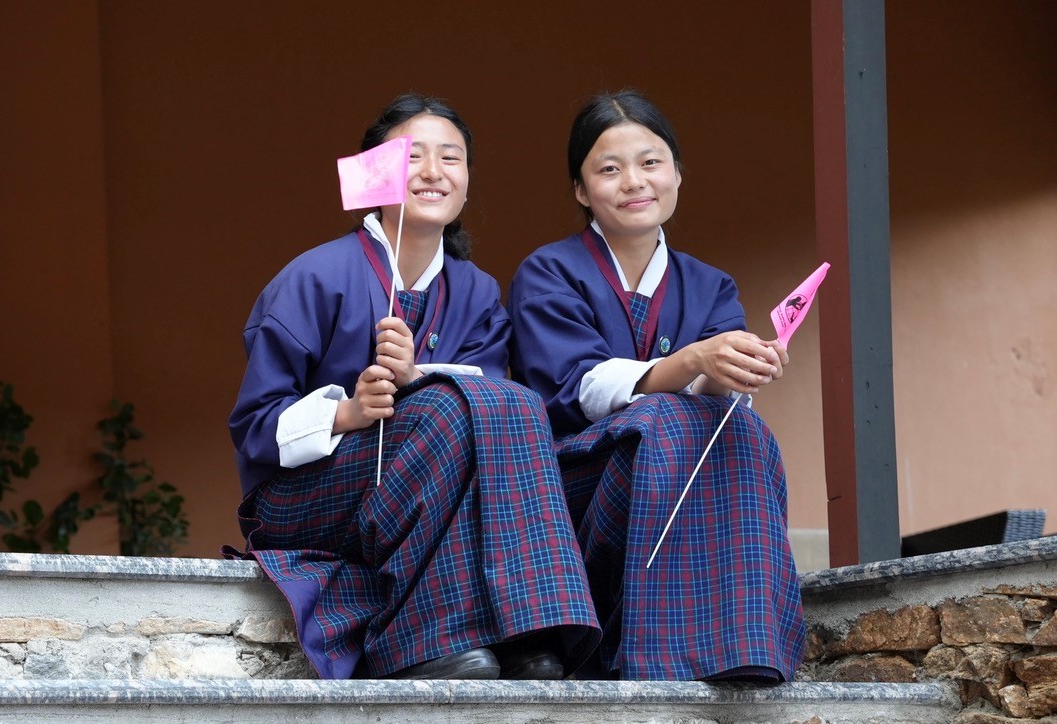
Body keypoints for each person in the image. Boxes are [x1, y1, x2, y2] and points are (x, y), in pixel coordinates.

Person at [227, 93, 600, 680]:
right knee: (447, 415)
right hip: (303, 499)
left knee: (513, 406)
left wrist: (413, 379)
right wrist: (347, 412)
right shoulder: (314, 277)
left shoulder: (476, 291)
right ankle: (423, 640)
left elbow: (492, 408)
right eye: (413, 157)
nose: (433, 172)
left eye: (450, 158)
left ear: (468, 180)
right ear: (377, 174)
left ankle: (529, 628)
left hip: (420, 472)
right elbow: (254, 431)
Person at [507, 90, 806, 682]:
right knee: (664, 420)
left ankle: (746, 643)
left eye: (650, 162)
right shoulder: (548, 271)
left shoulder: (711, 284)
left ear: (676, 174)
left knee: (742, 427)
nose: (633, 182)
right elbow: (576, 388)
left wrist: (744, 366)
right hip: (576, 482)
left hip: (673, 464)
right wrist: (695, 359)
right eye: (609, 169)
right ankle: (655, 656)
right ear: (580, 189)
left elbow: (718, 395)